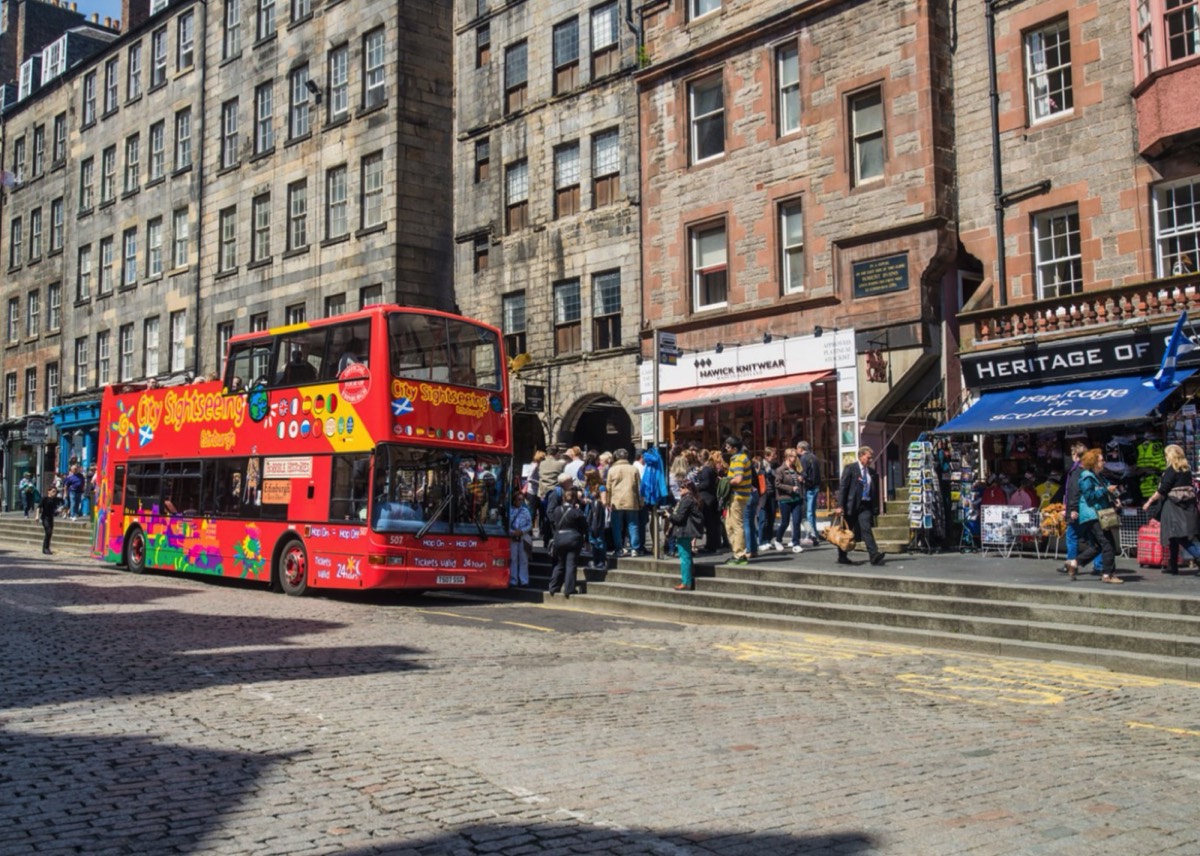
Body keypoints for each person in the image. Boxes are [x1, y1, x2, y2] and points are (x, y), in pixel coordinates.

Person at [1141, 444, 1200, 575]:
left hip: (1174, 508)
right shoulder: (1186, 470)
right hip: (1186, 506)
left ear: (1171, 455)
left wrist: (1149, 501)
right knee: (1174, 537)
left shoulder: (1170, 471)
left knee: (1180, 537)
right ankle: (1173, 565)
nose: (1165, 457)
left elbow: (1162, 490)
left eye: (1166, 454)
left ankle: (1197, 557)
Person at [1066, 448, 1122, 584]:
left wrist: (1115, 497)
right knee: (1108, 545)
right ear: (1095, 462)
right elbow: (1090, 497)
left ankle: (1074, 563)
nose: (1104, 462)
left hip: (1101, 513)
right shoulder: (1086, 477)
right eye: (1102, 460)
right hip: (1093, 515)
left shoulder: (1100, 477)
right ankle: (1107, 574)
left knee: (1097, 546)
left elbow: (1108, 490)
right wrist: (1105, 490)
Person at [834, 445, 884, 566]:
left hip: (865, 505)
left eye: (871, 458)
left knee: (866, 529)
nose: (870, 460)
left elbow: (874, 491)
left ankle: (874, 554)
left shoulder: (871, 472)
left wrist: (875, 508)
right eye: (868, 457)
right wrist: (840, 505)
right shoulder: (850, 469)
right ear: (861, 456)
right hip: (851, 505)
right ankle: (842, 556)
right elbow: (843, 488)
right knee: (846, 532)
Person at [548, 488, 587, 598]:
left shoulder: (556, 510)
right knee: (571, 564)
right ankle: (569, 589)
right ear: (574, 499)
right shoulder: (576, 512)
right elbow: (584, 526)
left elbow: (553, 522)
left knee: (559, 563)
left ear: (563, 498)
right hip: (573, 539)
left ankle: (553, 587)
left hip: (559, 539)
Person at [669, 479, 705, 590]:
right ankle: (688, 578)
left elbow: (679, 518)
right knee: (687, 555)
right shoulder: (691, 499)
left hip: (684, 531)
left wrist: (669, 515)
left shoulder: (687, 500)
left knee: (684, 557)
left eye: (682, 487)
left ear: (688, 489)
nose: (680, 489)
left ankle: (686, 582)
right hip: (687, 530)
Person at [606, 448, 643, 556]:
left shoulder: (612, 470)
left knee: (617, 526)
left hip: (616, 502)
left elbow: (608, 488)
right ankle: (635, 549)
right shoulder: (633, 469)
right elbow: (639, 487)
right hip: (632, 500)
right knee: (633, 525)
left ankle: (619, 549)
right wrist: (641, 501)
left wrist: (607, 502)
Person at [723, 436, 753, 565]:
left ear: (734, 449)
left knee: (736, 525)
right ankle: (737, 552)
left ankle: (740, 555)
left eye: (728, 447)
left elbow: (738, 479)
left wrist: (726, 481)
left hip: (738, 495)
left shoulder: (738, 460)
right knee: (729, 525)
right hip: (737, 496)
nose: (726, 448)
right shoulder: (738, 458)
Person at [772, 448, 805, 553]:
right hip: (785, 499)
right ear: (787, 457)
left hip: (796, 498)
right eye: (793, 456)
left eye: (796, 456)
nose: (795, 458)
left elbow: (800, 479)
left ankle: (796, 543)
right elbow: (777, 484)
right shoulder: (780, 470)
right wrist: (791, 488)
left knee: (796, 522)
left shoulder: (795, 468)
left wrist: (801, 479)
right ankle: (778, 540)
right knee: (785, 522)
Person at [797, 440, 821, 545]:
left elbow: (804, 474)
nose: (797, 451)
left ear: (801, 449)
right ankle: (814, 533)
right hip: (816, 486)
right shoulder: (814, 457)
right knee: (812, 512)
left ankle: (811, 535)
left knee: (809, 512)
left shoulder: (804, 458)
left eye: (797, 449)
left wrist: (800, 478)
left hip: (809, 487)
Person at [508, 490, 533, 587]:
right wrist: (512, 532)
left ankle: (524, 580)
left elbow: (530, 524)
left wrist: (522, 531)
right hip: (513, 537)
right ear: (514, 500)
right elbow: (506, 524)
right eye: (519, 499)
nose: (520, 502)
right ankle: (513, 580)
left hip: (523, 537)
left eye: (522, 500)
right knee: (513, 558)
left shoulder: (525, 511)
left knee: (523, 559)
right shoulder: (509, 510)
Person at [38, 487, 63, 555]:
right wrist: (37, 516)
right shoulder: (45, 499)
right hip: (44, 517)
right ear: (49, 491)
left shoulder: (54, 500)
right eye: (53, 491)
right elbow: (39, 507)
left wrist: (58, 511)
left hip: (50, 518)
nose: (54, 493)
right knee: (48, 531)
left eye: (55, 492)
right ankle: (45, 548)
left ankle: (46, 548)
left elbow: (54, 510)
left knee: (49, 533)